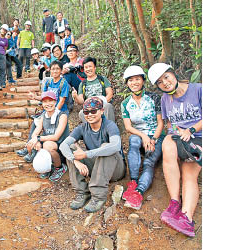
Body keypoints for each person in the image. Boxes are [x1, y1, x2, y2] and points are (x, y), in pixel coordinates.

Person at [148, 63, 202, 237]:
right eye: (159, 82)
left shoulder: (198, 89)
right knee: (168, 141)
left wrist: (191, 130)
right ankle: (174, 202)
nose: (165, 82)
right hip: (180, 138)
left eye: (166, 76)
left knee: (189, 174)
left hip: (199, 138)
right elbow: (169, 124)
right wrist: (177, 132)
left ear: (173, 73)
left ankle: (186, 218)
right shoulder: (165, 99)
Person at [59, 97, 125, 213]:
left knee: (106, 147)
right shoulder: (83, 127)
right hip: (97, 166)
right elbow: (63, 145)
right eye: (86, 112)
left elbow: (116, 146)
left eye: (93, 111)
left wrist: (86, 154)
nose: (90, 114)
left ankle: (98, 196)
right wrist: (75, 161)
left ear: (102, 111)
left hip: (115, 169)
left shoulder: (109, 125)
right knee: (71, 148)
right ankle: (82, 192)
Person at [120, 66, 164, 210]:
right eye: (131, 80)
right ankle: (133, 182)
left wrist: (153, 139)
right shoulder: (125, 103)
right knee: (133, 141)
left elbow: (160, 123)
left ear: (143, 81)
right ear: (127, 83)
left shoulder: (154, 98)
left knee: (149, 161)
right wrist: (144, 136)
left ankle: (139, 192)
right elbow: (128, 127)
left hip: (156, 135)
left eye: (137, 79)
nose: (134, 82)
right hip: (139, 135)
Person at [28, 91, 69, 182]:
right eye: (45, 102)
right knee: (32, 143)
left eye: (50, 101)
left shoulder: (62, 116)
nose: (48, 104)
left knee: (47, 145)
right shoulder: (44, 115)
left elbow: (56, 137)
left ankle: (59, 167)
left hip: (61, 146)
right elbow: (35, 133)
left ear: (55, 102)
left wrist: (39, 138)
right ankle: (47, 167)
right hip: (49, 144)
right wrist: (37, 140)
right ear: (42, 103)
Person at [72, 57, 115, 122]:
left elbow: (110, 94)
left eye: (90, 66)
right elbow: (81, 101)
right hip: (90, 107)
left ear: (95, 68)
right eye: (86, 67)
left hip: (102, 104)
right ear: (84, 70)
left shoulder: (102, 79)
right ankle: (93, 131)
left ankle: (110, 130)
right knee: (81, 113)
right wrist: (75, 97)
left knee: (108, 106)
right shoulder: (83, 84)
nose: (88, 69)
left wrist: (101, 104)